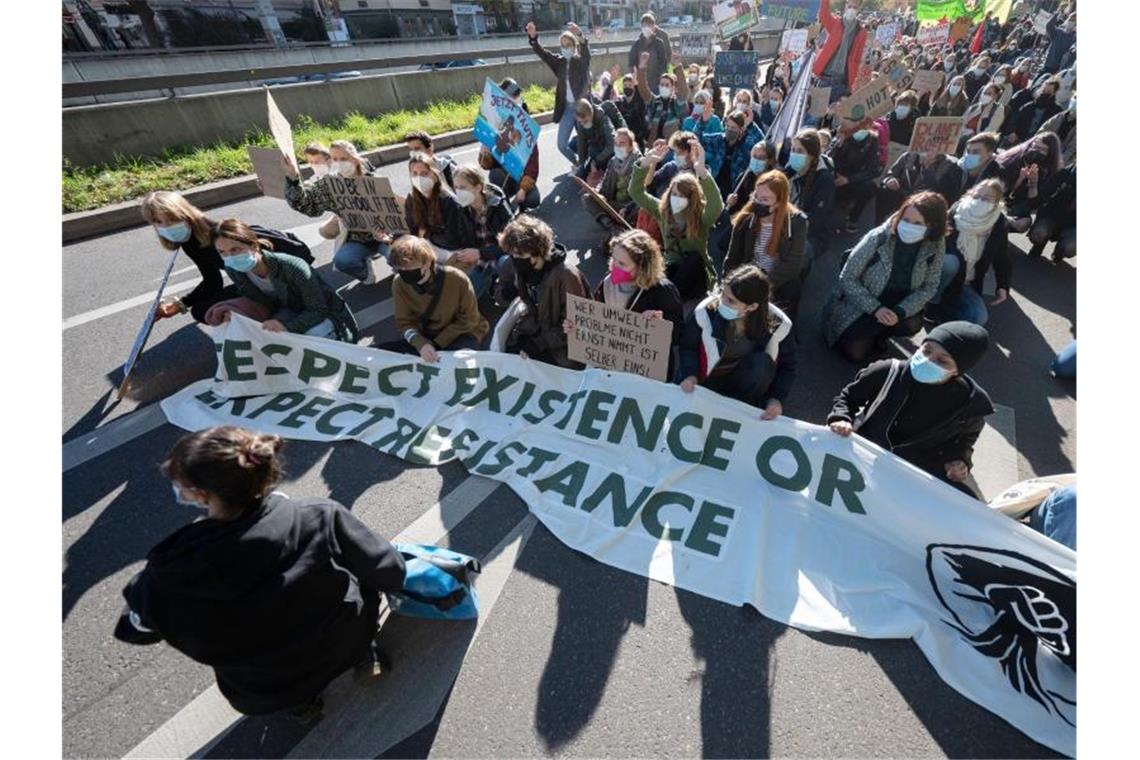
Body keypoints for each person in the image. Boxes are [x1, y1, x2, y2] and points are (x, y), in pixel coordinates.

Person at [114, 427, 406, 718]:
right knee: (357, 573)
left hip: (263, 688)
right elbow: (390, 570)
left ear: (200, 495)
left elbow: (136, 630)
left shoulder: (168, 574)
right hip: (343, 641)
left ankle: (302, 705)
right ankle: (365, 653)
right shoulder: (317, 516)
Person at [827, 321, 995, 498]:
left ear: (958, 371)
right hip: (866, 451)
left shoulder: (970, 405)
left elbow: (964, 439)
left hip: (913, 470)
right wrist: (841, 417)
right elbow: (848, 398)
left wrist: (960, 461)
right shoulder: (887, 371)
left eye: (942, 361)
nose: (928, 360)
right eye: (927, 350)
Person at [140, 191, 313, 325]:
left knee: (291, 315)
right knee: (202, 310)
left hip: (285, 283)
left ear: (185, 213)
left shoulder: (222, 232)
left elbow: (297, 250)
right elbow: (212, 281)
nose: (165, 227)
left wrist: (299, 285)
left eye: (171, 219)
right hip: (252, 285)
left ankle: (273, 311)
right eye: (158, 222)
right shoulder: (190, 242)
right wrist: (181, 304)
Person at [823, 191, 947, 363]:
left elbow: (930, 286)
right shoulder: (879, 237)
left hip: (898, 305)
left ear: (932, 226)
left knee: (912, 324)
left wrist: (901, 311)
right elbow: (847, 277)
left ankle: (881, 334)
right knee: (855, 354)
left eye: (918, 223)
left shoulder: (937, 244)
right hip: (863, 301)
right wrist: (876, 308)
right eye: (906, 220)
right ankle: (865, 332)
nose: (909, 226)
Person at [209, 219, 358, 342]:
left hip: (325, 316)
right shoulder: (233, 269)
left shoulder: (293, 267)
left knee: (308, 339)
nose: (230, 257)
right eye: (222, 252)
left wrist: (287, 327)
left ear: (254, 245)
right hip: (286, 312)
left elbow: (318, 310)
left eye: (235, 249)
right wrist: (236, 314)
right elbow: (255, 300)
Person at [678, 265, 797, 416]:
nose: (722, 302)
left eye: (731, 301)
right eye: (722, 294)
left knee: (762, 364)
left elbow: (788, 367)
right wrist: (690, 375)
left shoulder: (779, 326)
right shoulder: (705, 313)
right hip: (707, 378)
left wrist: (776, 399)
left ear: (752, 307)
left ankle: (743, 408)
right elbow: (688, 347)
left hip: (744, 381)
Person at [564, 229, 684, 377]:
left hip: (647, 372)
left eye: (622, 263)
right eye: (613, 259)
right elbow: (597, 320)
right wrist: (577, 327)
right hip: (614, 365)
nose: (614, 267)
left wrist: (660, 325)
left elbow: (679, 334)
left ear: (642, 267)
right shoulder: (607, 283)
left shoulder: (663, 290)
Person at [283, 140, 389, 284]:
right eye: (335, 159)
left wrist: (389, 237)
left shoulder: (373, 179)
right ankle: (365, 271)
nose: (339, 163)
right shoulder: (329, 184)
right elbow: (306, 205)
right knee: (342, 261)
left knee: (400, 255)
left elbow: (395, 211)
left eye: (344, 159)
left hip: (386, 237)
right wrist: (293, 180)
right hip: (358, 241)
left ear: (355, 158)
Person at [629, 141, 723, 301]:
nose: (676, 199)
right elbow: (636, 192)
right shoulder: (663, 210)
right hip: (671, 267)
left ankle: (669, 299)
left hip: (696, 275)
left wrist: (701, 171)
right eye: (673, 194)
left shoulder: (700, 217)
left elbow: (716, 205)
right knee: (647, 280)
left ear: (692, 199)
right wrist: (645, 163)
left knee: (693, 259)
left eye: (681, 196)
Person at [499, 215, 590, 368]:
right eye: (512, 254)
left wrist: (538, 344)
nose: (514, 259)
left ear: (538, 251)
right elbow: (502, 292)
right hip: (536, 327)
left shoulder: (567, 276)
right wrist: (504, 293)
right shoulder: (521, 267)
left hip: (561, 342)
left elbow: (574, 325)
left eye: (520, 255)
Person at [380, 236, 489, 360]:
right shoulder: (399, 283)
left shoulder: (457, 279)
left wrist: (437, 344)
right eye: (400, 268)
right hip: (427, 335)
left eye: (408, 267)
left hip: (461, 332)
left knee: (459, 365)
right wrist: (420, 343)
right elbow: (404, 323)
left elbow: (469, 319)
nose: (403, 272)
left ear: (426, 263)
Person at [724, 170, 808, 322]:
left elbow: (793, 264)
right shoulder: (745, 220)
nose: (758, 203)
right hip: (750, 275)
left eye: (765, 200)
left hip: (775, 279)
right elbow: (733, 257)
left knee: (793, 288)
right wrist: (727, 284)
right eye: (756, 196)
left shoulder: (797, 223)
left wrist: (763, 287)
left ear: (779, 202)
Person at [930, 179, 1011, 327]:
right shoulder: (955, 211)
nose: (980, 200)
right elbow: (935, 241)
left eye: (986, 198)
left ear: (996, 202)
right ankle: (932, 302)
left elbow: (1002, 257)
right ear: (970, 193)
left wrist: (1003, 286)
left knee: (978, 319)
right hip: (940, 274)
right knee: (950, 262)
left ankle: (945, 306)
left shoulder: (999, 222)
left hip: (967, 282)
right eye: (977, 195)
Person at [442, 165, 516, 299]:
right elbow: (462, 238)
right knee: (461, 296)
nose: (458, 192)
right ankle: (489, 283)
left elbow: (512, 243)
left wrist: (480, 253)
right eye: (456, 187)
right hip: (480, 260)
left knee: (505, 263)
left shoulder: (498, 205)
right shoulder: (461, 208)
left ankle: (511, 287)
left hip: (498, 255)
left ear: (478, 187)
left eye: (463, 188)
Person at [526, 20, 591, 166]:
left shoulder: (581, 61)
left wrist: (579, 34)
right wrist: (533, 38)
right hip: (567, 109)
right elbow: (543, 54)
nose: (565, 48)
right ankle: (578, 164)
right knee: (561, 145)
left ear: (574, 47)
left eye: (568, 45)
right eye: (563, 45)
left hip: (581, 107)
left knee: (587, 142)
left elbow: (586, 52)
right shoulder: (559, 62)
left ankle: (586, 167)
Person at [477, 79, 541, 212]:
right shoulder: (494, 123)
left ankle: (521, 202)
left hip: (521, 176)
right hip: (503, 174)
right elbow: (486, 165)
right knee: (495, 175)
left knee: (533, 199)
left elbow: (533, 165)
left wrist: (523, 189)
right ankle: (503, 205)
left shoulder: (527, 127)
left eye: (516, 96)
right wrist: (485, 153)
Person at [875, 146, 963, 226]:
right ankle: (882, 226)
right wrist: (889, 180)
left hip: (927, 203)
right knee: (884, 191)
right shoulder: (909, 156)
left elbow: (945, 193)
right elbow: (890, 174)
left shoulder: (951, 165)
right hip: (903, 196)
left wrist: (928, 168)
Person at [996, 132, 1063, 233]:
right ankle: (1001, 222)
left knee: (1025, 223)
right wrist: (1019, 179)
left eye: (1042, 149)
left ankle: (1001, 222)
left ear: (1050, 154)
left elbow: (1033, 204)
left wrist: (1033, 183)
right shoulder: (1015, 159)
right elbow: (1001, 188)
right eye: (1035, 146)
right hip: (998, 198)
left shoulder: (1047, 173)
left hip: (1016, 207)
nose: (1036, 151)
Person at [785, 129, 836, 260]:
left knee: (791, 253)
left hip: (811, 234)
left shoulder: (824, 180)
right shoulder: (790, 169)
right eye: (793, 150)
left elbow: (815, 221)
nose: (794, 154)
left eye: (800, 151)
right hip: (786, 221)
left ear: (812, 156)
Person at [828, 118, 882, 233]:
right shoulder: (842, 133)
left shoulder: (872, 141)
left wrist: (849, 179)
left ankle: (853, 218)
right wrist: (838, 145)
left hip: (852, 181)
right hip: (834, 176)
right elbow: (827, 157)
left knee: (870, 187)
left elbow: (873, 170)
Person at [586, 127, 642, 231]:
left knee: (639, 209)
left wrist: (627, 208)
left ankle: (621, 224)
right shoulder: (613, 161)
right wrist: (597, 192)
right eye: (616, 143)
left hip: (630, 206)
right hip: (614, 202)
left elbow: (643, 191)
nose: (618, 146)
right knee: (587, 198)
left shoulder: (639, 162)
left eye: (622, 143)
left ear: (630, 146)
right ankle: (612, 227)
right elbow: (605, 180)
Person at [813, 0, 869, 101]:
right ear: (845, 5)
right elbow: (823, 14)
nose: (851, 9)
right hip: (826, 78)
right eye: (849, 6)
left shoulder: (861, 32)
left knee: (833, 115)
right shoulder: (835, 23)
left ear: (859, 9)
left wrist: (853, 82)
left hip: (842, 83)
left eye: (855, 7)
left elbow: (857, 58)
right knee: (816, 113)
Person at [1026, 163, 1076, 262]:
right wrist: (1033, 184)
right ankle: (1039, 244)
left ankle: (1059, 252)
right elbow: (1042, 196)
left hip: (1072, 226)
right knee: (1039, 234)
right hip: (1050, 217)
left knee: (1070, 248)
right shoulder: (1066, 173)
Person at [638, 51, 688, 144]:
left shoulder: (677, 103)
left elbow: (684, 90)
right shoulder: (654, 102)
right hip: (654, 145)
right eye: (661, 84)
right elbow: (643, 90)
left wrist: (678, 66)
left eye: (667, 85)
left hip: (672, 146)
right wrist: (641, 67)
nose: (663, 87)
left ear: (673, 87)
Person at [725, 137, 776, 216]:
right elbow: (734, 209)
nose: (756, 160)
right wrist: (731, 202)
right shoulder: (744, 177)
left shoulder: (774, 181)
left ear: (770, 161)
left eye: (761, 158)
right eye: (754, 156)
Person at [1005, 77, 1062, 146]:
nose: (1045, 93)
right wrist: (1013, 132)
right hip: (1019, 141)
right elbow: (1015, 121)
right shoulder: (1028, 106)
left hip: (1037, 145)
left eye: (1049, 91)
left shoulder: (1056, 112)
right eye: (1044, 90)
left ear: (1054, 93)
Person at [627, 13, 672, 95]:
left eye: (648, 25)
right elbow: (631, 62)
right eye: (644, 25)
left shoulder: (659, 43)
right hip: (641, 81)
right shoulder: (637, 44)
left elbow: (663, 63)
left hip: (656, 82)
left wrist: (661, 79)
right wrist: (635, 76)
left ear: (653, 26)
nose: (646, 28)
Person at [572, 98, 616, 180]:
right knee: (580, 174)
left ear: (591, 114)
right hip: (596, 148)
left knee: (609, 173)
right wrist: (582, 164)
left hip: (607, 150)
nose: (582, 124)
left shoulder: (603, 119)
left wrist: (596, 161)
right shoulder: (580, 121)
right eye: (580, 122)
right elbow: (581, 143)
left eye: (585, 121)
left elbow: (612, 145)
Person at [957, 82, 1006, 153]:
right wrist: (967, 132)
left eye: (989, 94)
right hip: (963, 137)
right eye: (984, 93)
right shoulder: (974, 107)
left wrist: (974, 137)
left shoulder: (998, 109)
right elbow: (961, 123)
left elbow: (991, 129)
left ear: (995, 96)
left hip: (980, 142)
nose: (985, 95)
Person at [616, 72, 650, 150]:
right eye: (625, 85)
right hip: (623, 141)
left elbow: (641, 97)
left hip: (637, 140)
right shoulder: (620, 102)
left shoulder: (640, 101)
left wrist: (637, 84)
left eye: (630, 85)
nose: (627, 87)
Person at [1039, 94, 1076, 166]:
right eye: (1075, 98)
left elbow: (1071, 150)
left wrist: (1058, 162)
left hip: (1058, 161)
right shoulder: (1060, 116)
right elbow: (1043, 130)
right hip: (1043, 151)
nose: (1075, 101)